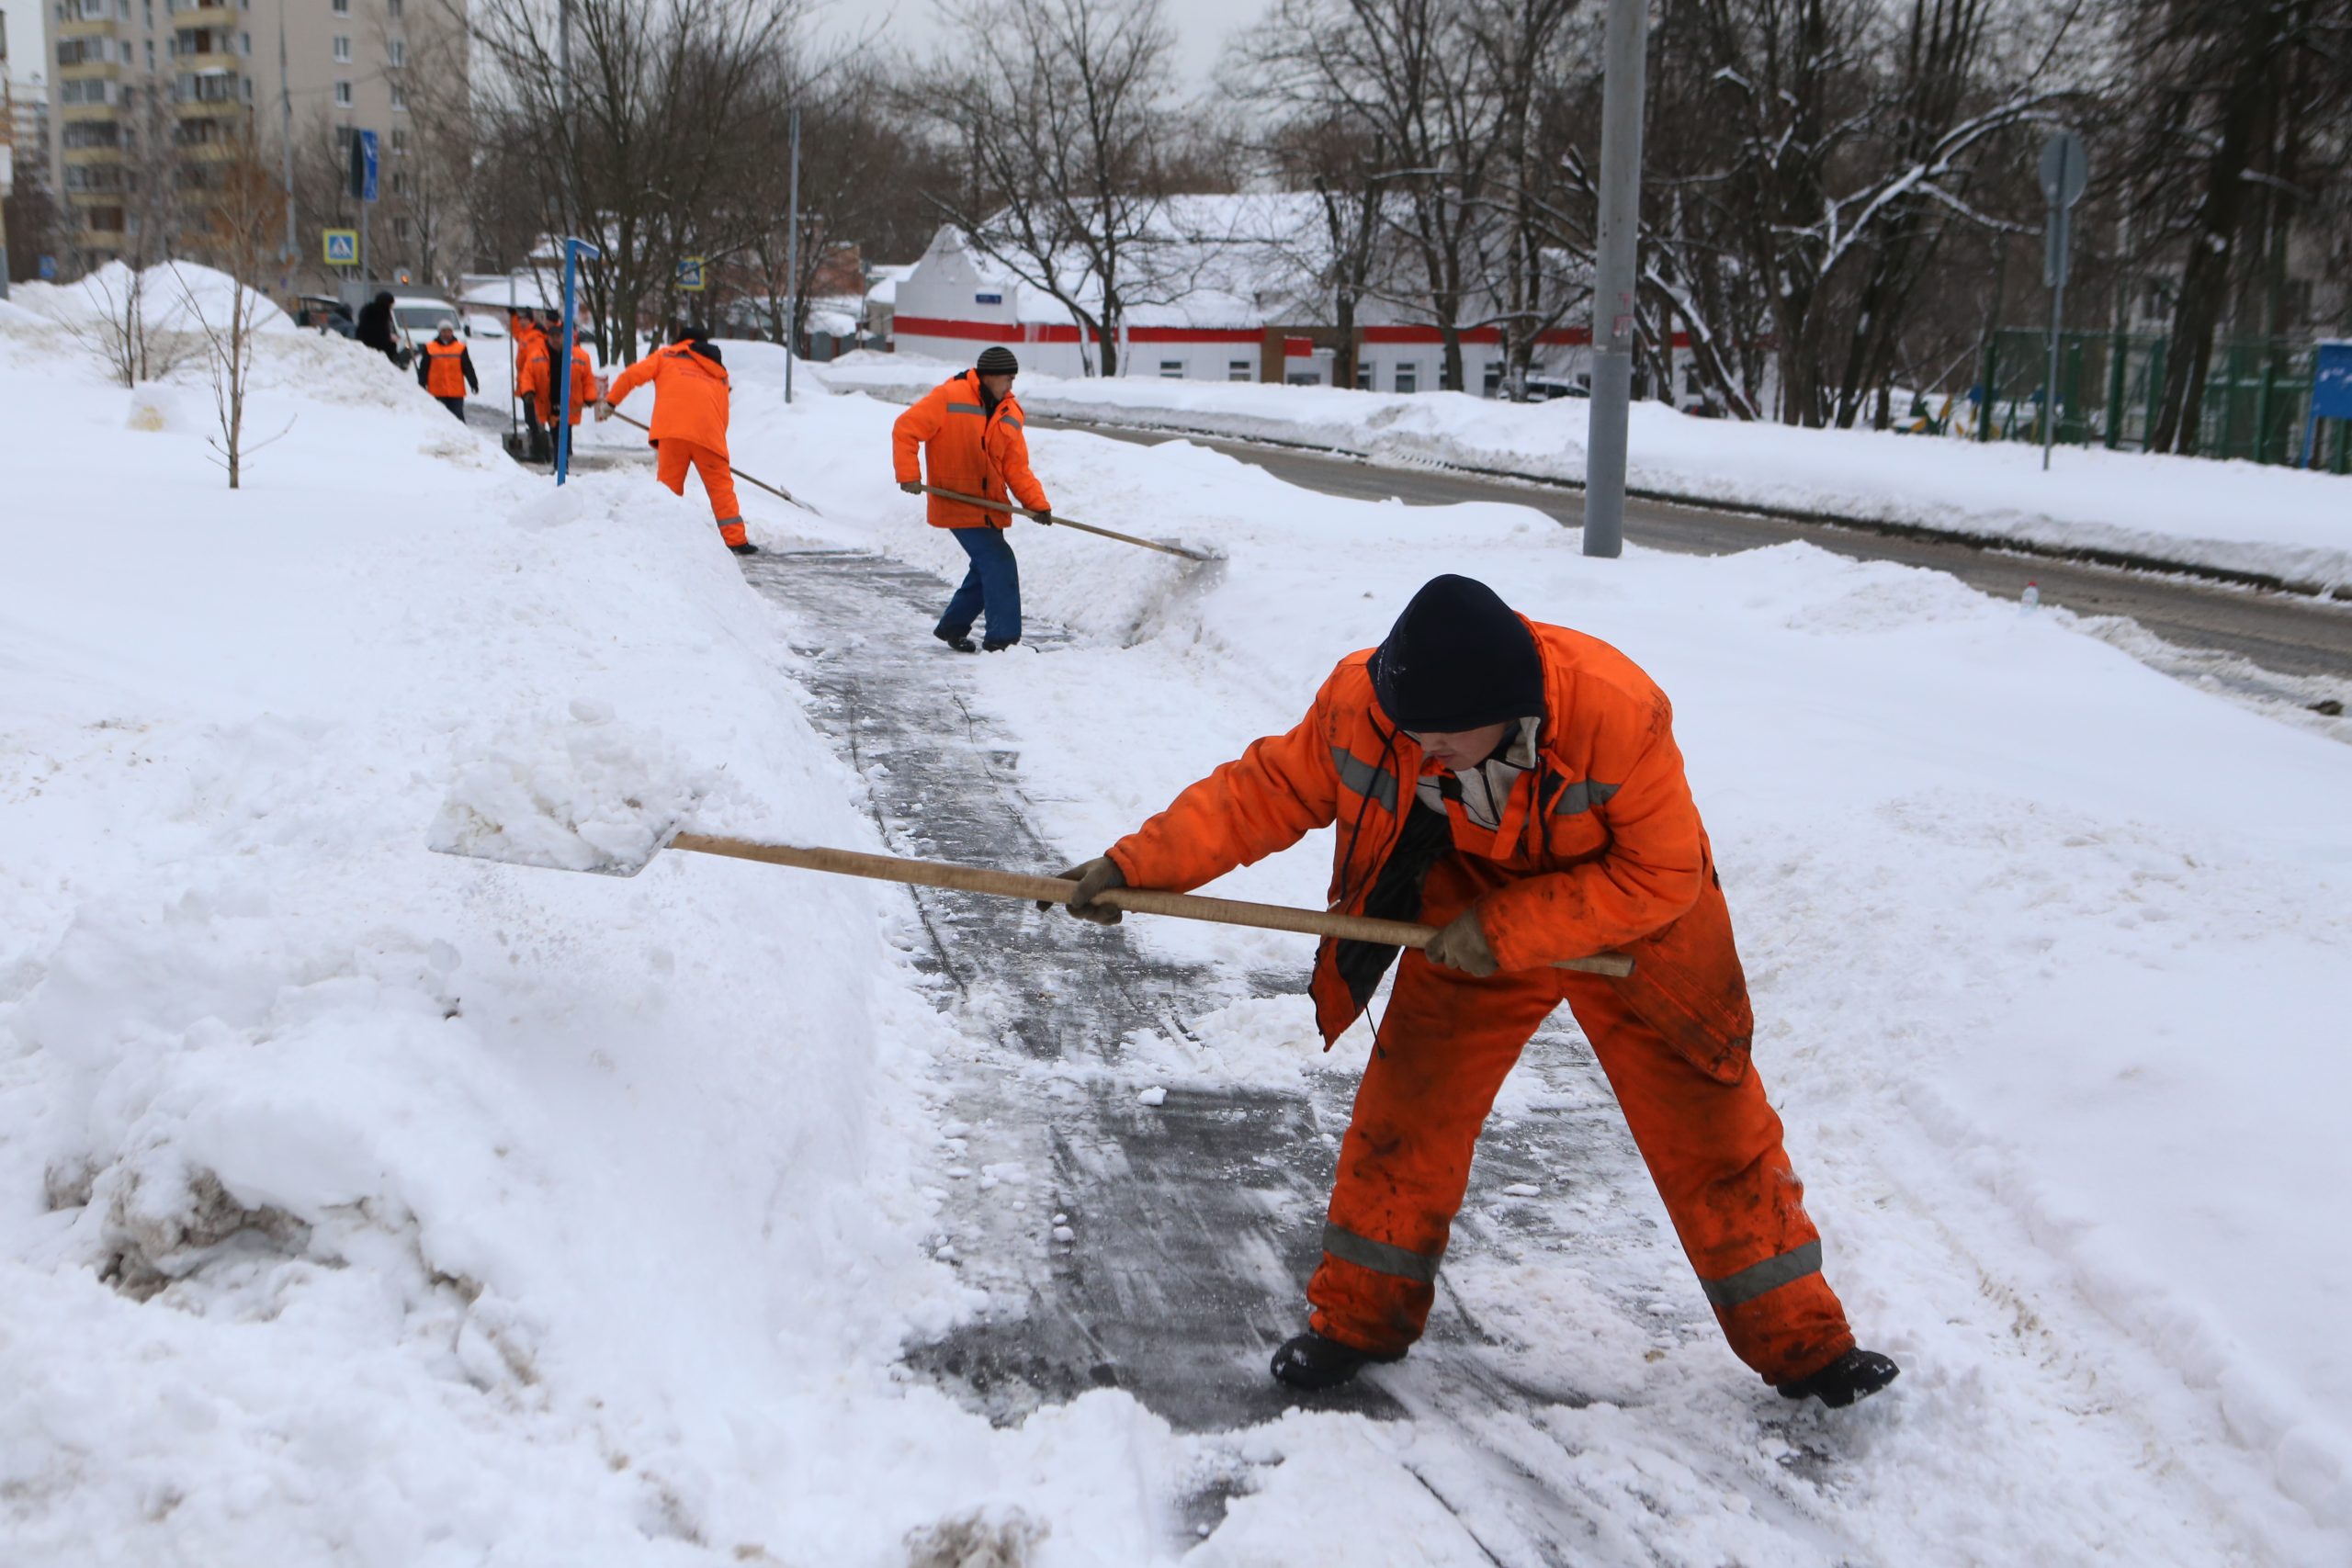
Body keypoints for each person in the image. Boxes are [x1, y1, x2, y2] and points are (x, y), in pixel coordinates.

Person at [1045, 574, 1901, 1409]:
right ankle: (1356, 1321)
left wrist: (1508, 933)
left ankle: (1808, 1348)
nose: (1420, 751)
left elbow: (1663, 871)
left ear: (1509, 708)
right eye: (1410, 733)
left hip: (1636, 923)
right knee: (1409, 1107)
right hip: (1471, 900)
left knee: (1712, 1130)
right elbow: (1262, 791)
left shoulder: (1616, 710)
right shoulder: (1371, 702)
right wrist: (1134, 865)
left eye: (1443, 737)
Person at [890, 344, 1050, 653]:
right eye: (1007, 379)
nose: (1011, 387)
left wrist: (1037, 504)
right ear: (989, 377)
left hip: (990, 506)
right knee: (999, 561)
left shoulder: (1010, 412)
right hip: (956, 500)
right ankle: (1003, 641)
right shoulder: (949, 397)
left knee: (984, 567)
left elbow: (1016, 467)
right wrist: (908, 474)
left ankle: (953, 626)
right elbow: (906, 428)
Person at [598, 325, 754, 556]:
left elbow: (632, 375)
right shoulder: (719, 371)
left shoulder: (666, 356)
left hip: (672, 433)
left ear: (680, 341)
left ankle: (664, 533)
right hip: (709, 435)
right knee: (721, 489)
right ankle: (736, 541)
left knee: (668, 489)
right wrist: (715, 442)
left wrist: (611, 402)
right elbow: (723, 413)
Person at [414, 317, 479, 422]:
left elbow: (467, 367)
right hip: (437, 391)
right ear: (439, 332)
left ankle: (460, 437)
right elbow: (424, 368)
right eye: (444, 331)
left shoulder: (460, 348)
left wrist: (473, 383)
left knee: (457, 418)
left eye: (449, 331)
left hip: (456, 391)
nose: (447, 334)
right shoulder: (430, 347)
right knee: (439, 418)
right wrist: (422, 382)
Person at [512, 310, 552, 463]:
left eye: (524, 319)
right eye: (520, 319)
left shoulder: (535, 337)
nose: (521, 322)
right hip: (525, 381)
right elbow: (516, 333)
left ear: (530, 321)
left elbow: (535, 363)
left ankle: (539, 451)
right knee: (532, 418)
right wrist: (513, 317)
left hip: (533, 384)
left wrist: (531, 386)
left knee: (535, 418)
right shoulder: (525, 334)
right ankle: (542, 450)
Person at [355, 290, 404, 367]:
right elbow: (379, 332)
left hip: (368, 342)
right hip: (372, 345)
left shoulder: (370, 310)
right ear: (385, 303)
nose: (391, 307)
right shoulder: (380, 314)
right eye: (390, 304)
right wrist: (388, 340)